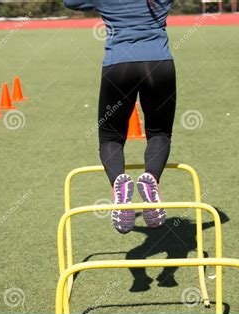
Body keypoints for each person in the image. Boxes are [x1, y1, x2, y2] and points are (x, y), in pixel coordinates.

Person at [64, 0, 176, 234]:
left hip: (118, 64)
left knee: (110, 139)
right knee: (159, 133)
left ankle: (120, 184)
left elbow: (69, 2)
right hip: (159, 63)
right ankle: (150, 178)